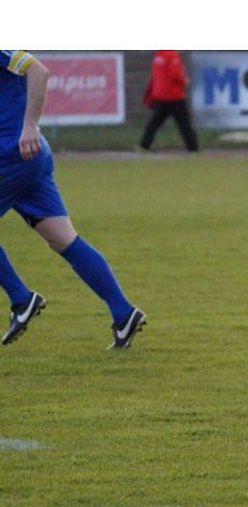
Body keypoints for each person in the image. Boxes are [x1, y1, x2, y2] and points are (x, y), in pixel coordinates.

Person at [0, 50, 146, 349]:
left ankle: (21, 298)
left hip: (13, 155)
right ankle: (123, 313)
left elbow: (39, 71)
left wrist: (29, 125)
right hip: (30, 159)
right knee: (63, 239)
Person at [139, 50, 199, 152]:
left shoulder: (158, 55)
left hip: (161, 94)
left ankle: (144, 145)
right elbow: (175, 73)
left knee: (154, 123)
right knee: (184, 123)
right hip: (174, 95)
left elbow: (155, 76)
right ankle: (193, 148)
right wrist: (185, 80)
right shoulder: (171, 54)